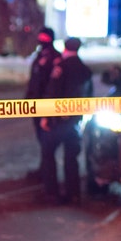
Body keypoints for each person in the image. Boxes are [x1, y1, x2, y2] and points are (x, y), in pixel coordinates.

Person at [38, 37, 93, 205]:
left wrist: (46, 117)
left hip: (58, 122)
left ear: (65, 48)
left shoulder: (61, 67)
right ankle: (73, 194)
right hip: (75, 121)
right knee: (71, 158)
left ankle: (52, 193)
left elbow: (52, 92)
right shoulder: (85, 70)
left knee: (48, 153)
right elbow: (89, 96)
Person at [23, 26, 61, 181]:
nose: (41, 40)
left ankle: (47, 174)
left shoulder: (55, 57)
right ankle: (44, 169)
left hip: (46, 105)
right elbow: (34, 79)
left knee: (47, 140)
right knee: (41, 139)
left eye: (44, 37)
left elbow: (53, 83)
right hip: (35, 104)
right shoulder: (39, 55)